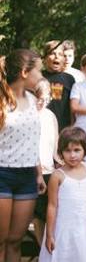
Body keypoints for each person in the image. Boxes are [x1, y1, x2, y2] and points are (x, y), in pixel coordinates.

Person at [0, 49, 46, 261]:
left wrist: (38, 174)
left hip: (27, 176)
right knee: (0, 240)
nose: (42, 76)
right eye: (39, 71)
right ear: (25, 72)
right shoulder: (2, 101)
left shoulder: (33, 100)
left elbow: (31, 141)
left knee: (15, 240)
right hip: (2, 174)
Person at [39, 127, 86, 262]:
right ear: (61, 152)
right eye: (67, 151)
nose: (72, 155)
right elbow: (52, 206)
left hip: (85, 230)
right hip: (63, 230)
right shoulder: (57, 176)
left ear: (85, 150)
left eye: (76, 150)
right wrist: (50, 234)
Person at [33, 78, 61, 246]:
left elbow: (55, 143)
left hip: (49, 169)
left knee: (49, 211)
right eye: (39, 97)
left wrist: (60, 162)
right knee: (37, 215)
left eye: (47, 97)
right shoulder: (27, 115)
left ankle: (49, 248)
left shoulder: (50, 116)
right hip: (31, 170)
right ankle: (40, 248)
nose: (43, 102)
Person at [42, 40, 76, 131]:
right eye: (52, 53)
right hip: (42, 127)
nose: (57, 56)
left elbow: (73, 107)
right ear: (45, 58)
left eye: (60, 54)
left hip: (63, 129)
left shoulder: (69, 79)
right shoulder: (38, 77)